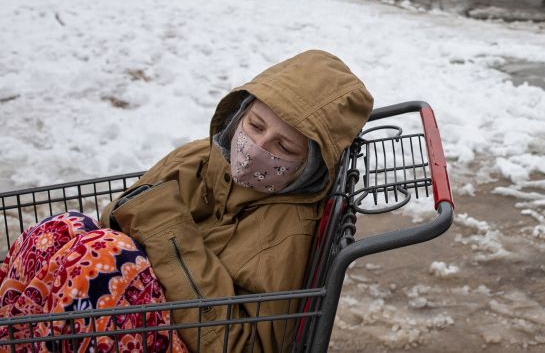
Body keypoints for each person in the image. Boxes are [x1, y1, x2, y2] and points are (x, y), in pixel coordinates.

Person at [0, 50, 374, 352]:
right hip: (139, 315)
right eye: (256, 125)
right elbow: (115, 216)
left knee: (105, 258)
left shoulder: (286, 235)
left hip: (180, 335)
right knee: (61, 230)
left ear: (310, 168)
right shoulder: (198, 159)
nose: (258, 147)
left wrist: (167, 234)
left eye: (284, 146)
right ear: (240, 113)